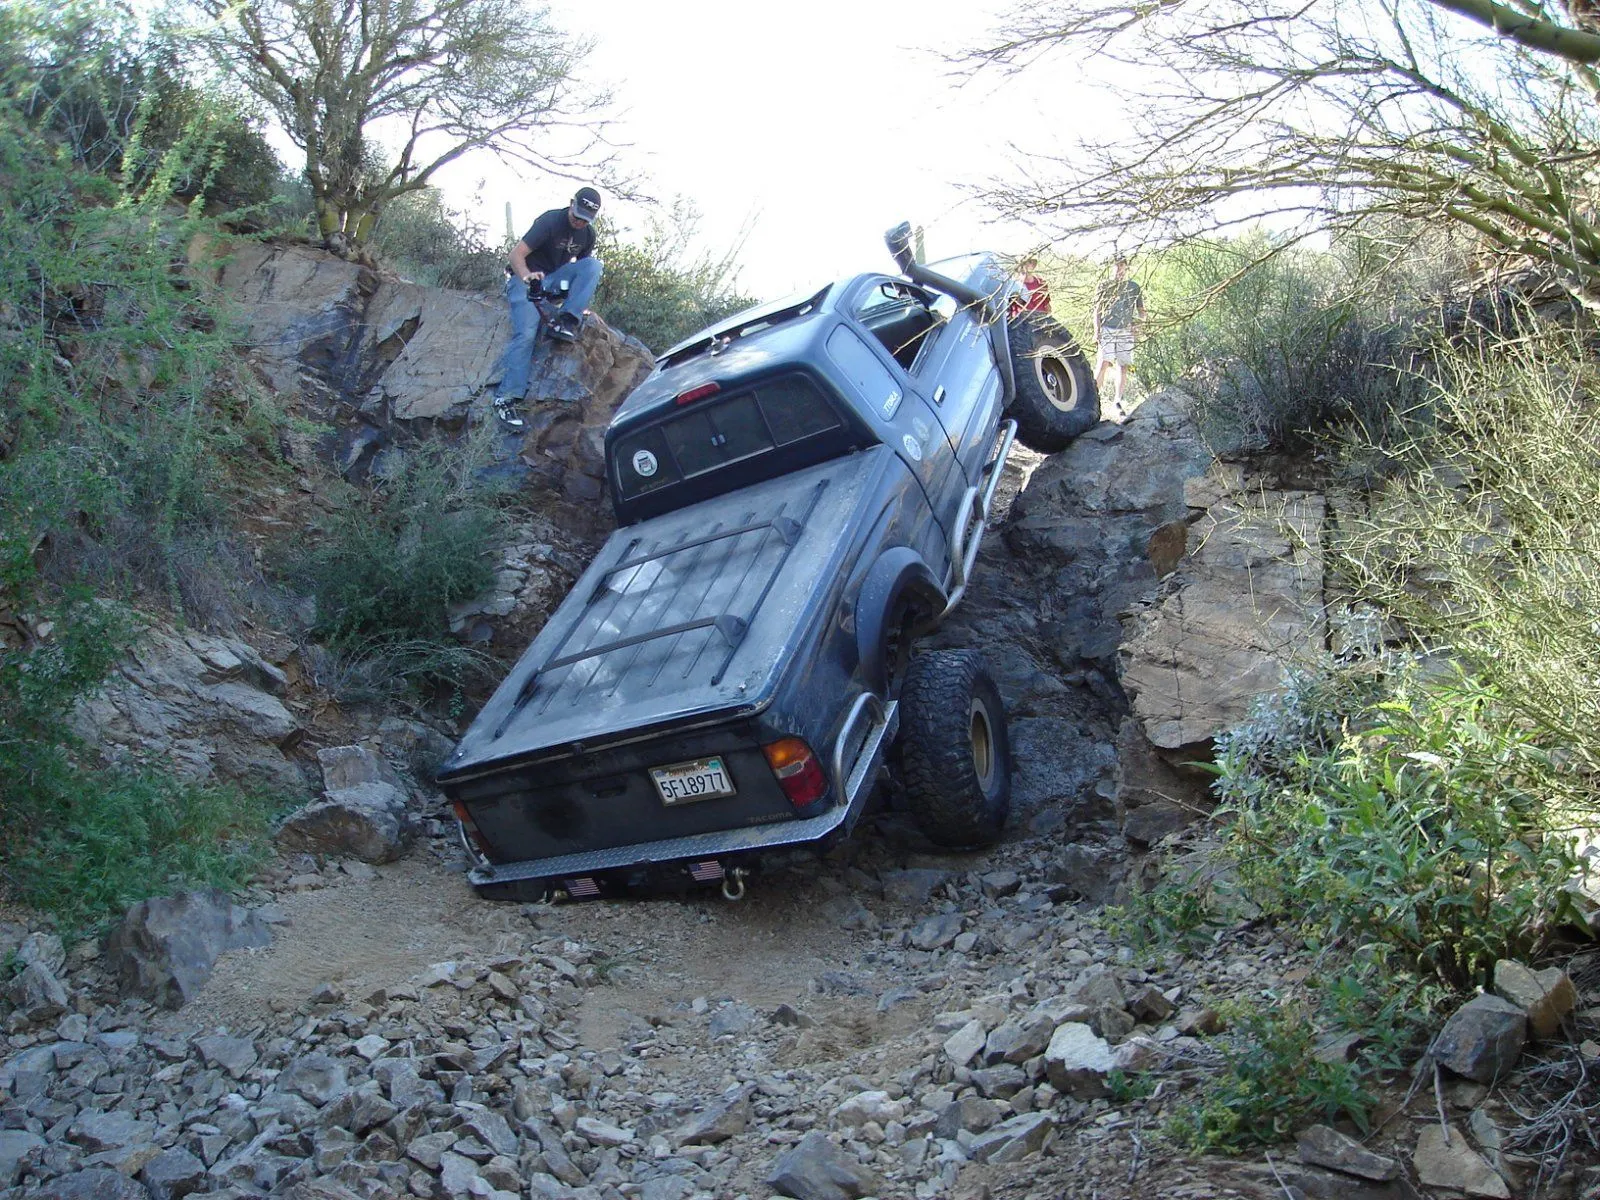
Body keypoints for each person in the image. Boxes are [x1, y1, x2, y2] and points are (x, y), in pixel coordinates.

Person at [490, 186, 605, 429]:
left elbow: (582, 272)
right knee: (527, 333)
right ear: (571, 203)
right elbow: (516, 255)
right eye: (577, 216)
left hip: (553, 282)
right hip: (525, 280)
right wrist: (527, 277)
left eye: (585, 220)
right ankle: (506, 398)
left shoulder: (587, 234)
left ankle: (566, 320)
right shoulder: (550, 221)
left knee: (594, 266)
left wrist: (577, 303)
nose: (579, 222)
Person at [1093, 254, 1144, 412]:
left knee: (1123, 365)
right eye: (1116, 265)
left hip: (1125, 330)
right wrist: (1097, 330)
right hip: (1107, 328)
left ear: (1126, 267)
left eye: (1122, 265)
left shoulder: (1134, 287)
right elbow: (1097, 310)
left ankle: (1118, 400)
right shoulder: (1104, 285)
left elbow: (1142, 311)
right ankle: (1093, 399)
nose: (1119, 268)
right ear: (1112, 267)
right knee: (1104, 363)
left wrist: (1138, 325)